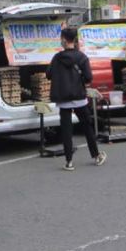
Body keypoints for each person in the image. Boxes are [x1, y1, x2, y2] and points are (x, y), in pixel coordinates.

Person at [47, 27, 107, 171]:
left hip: (63, 100)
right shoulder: (82, 57)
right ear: (74, 40)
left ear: (63, 40)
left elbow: (48, 74)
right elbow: (88, 78)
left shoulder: (57, 58)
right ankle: (96, 155)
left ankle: (69, 162)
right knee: (87, 127)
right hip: (80, 97)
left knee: (67, 131)